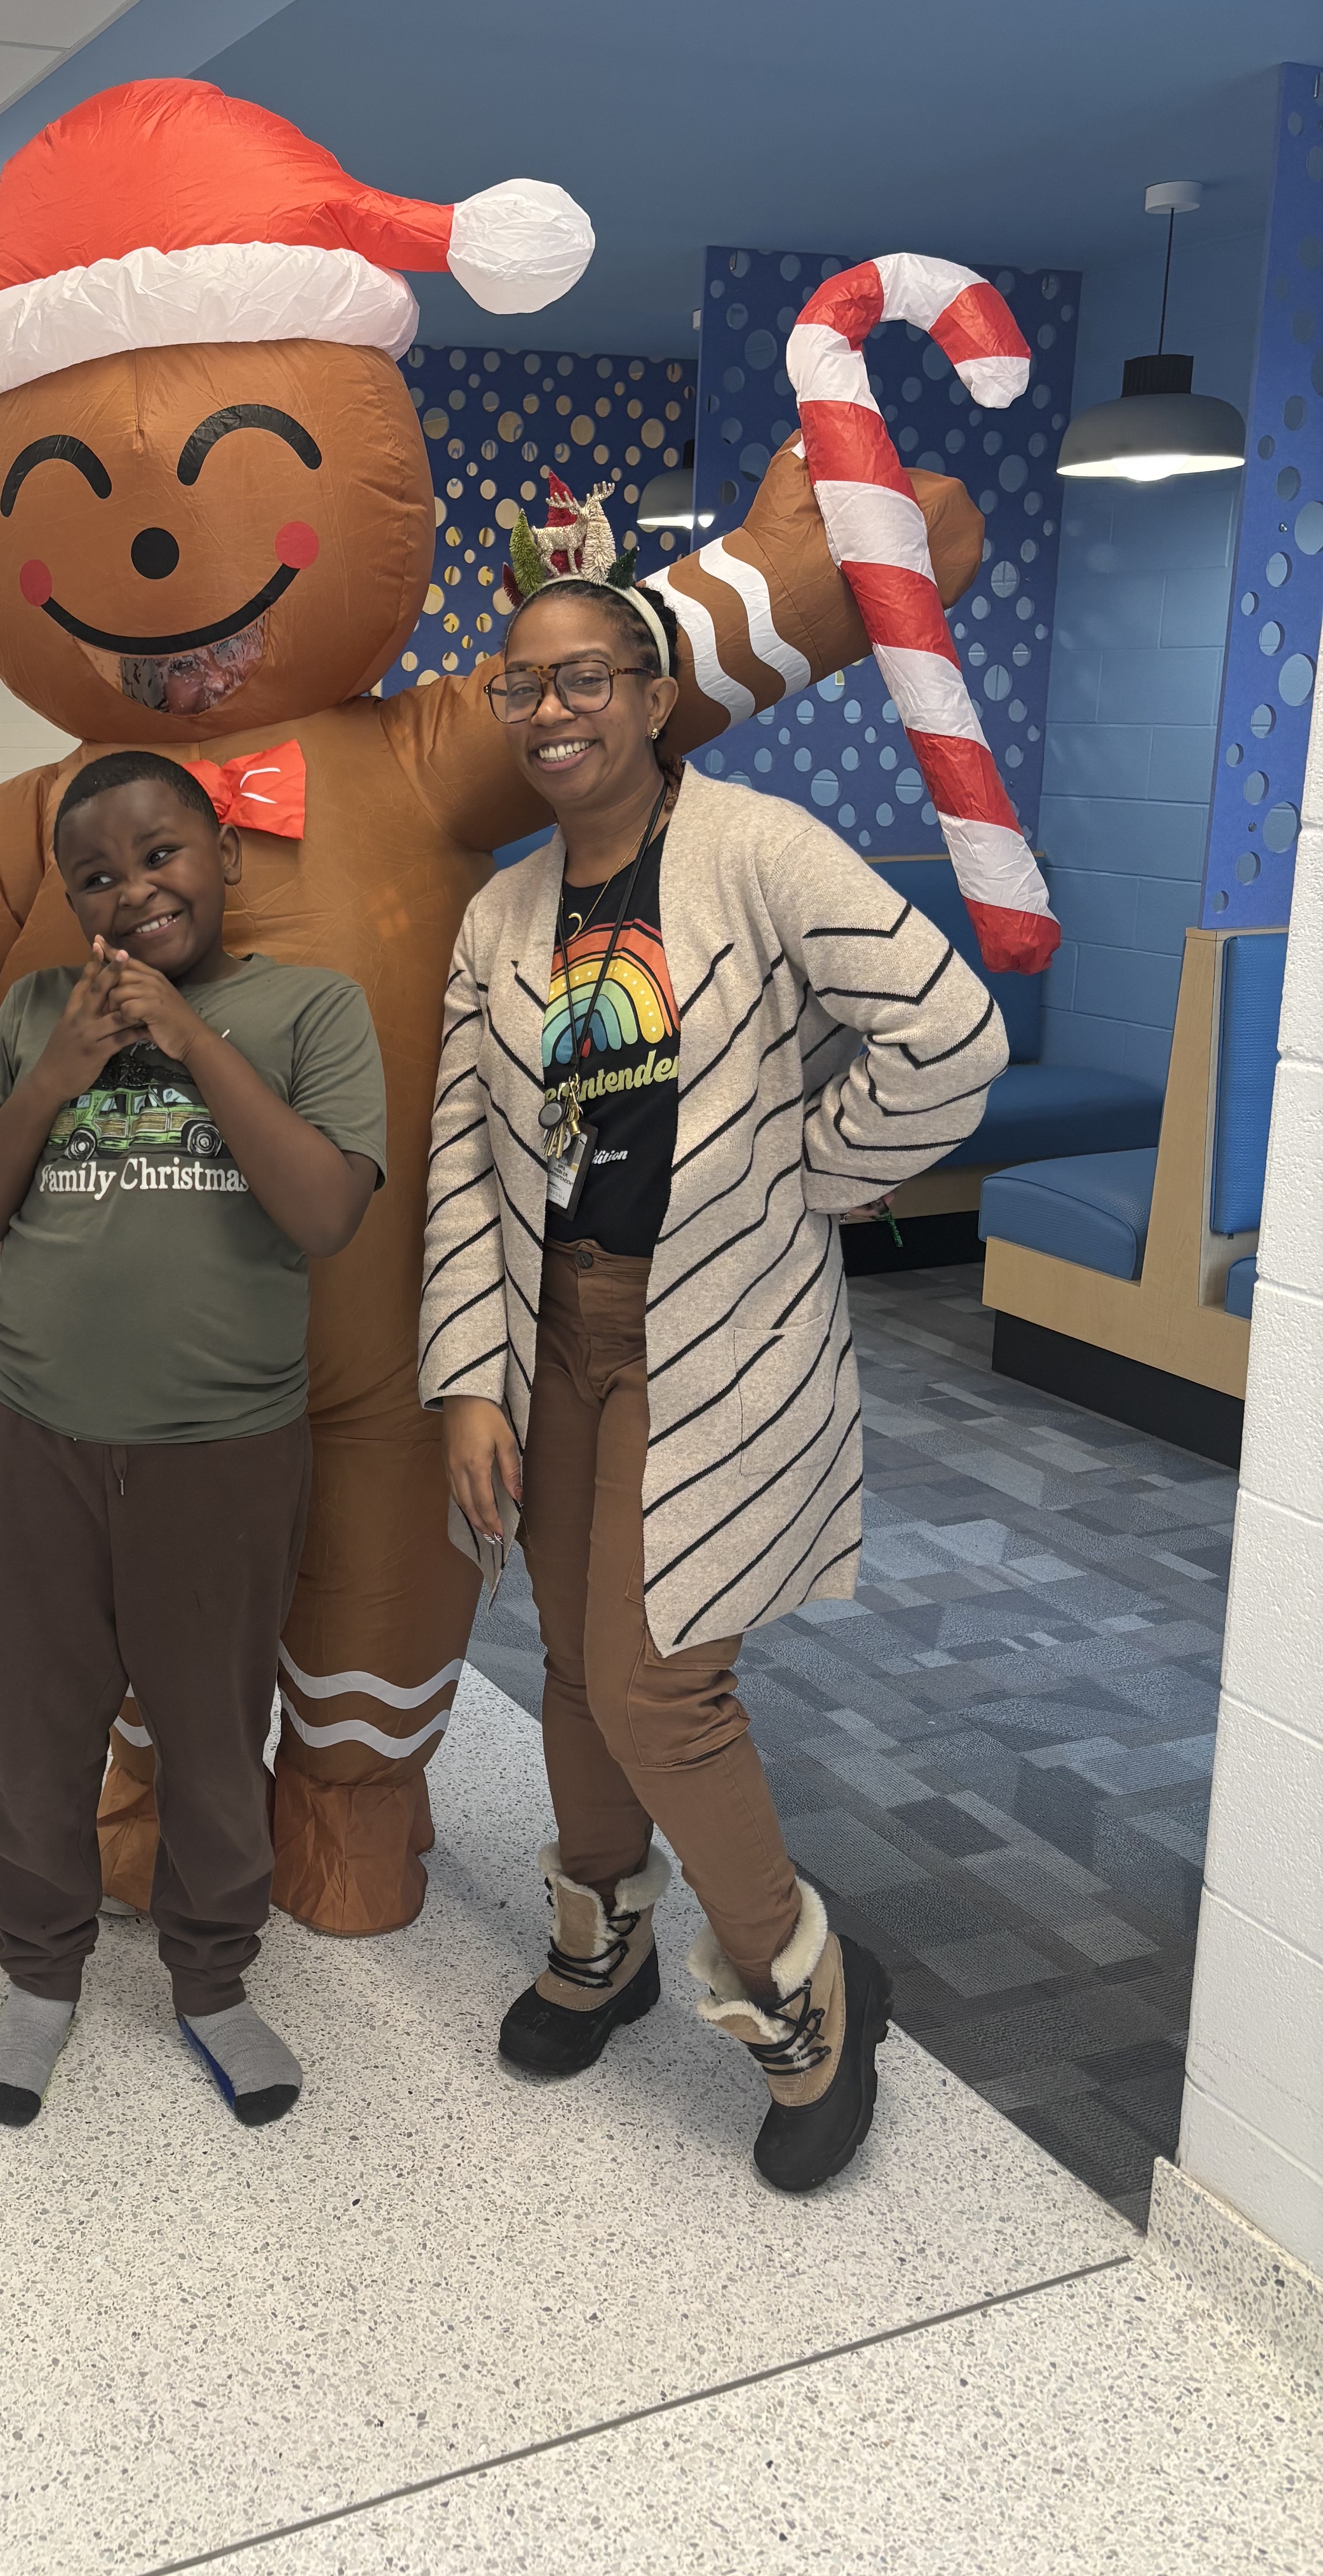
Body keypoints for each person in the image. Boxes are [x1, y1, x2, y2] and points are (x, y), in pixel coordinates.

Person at [419, 548, 1008, 2195]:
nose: (547, 710)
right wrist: (468, 1379)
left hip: (720, 1339)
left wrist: (810, 1172)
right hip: (558, 1339)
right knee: (577, 1666)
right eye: (518, 684)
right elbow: (470, 1161)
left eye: (582, 679)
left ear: (654, 697)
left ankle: (804, 1988)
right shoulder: (505, 911)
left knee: (663, 1684)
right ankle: (600, 1938)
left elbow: (951, 1035)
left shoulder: (756, 854)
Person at [0, 749, 387, 2128]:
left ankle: (211, 1978)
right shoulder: (31, 1015)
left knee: (210, 1728)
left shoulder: (309, 1009)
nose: (134, 892)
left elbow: (322, 1213)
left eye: (162, 856)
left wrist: (191, 1043)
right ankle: (37, 1977)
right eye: (97, 876)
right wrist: (61, 1066)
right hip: (33, 1438)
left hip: (223, 1451)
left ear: (227, 860)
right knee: (26, 1724)